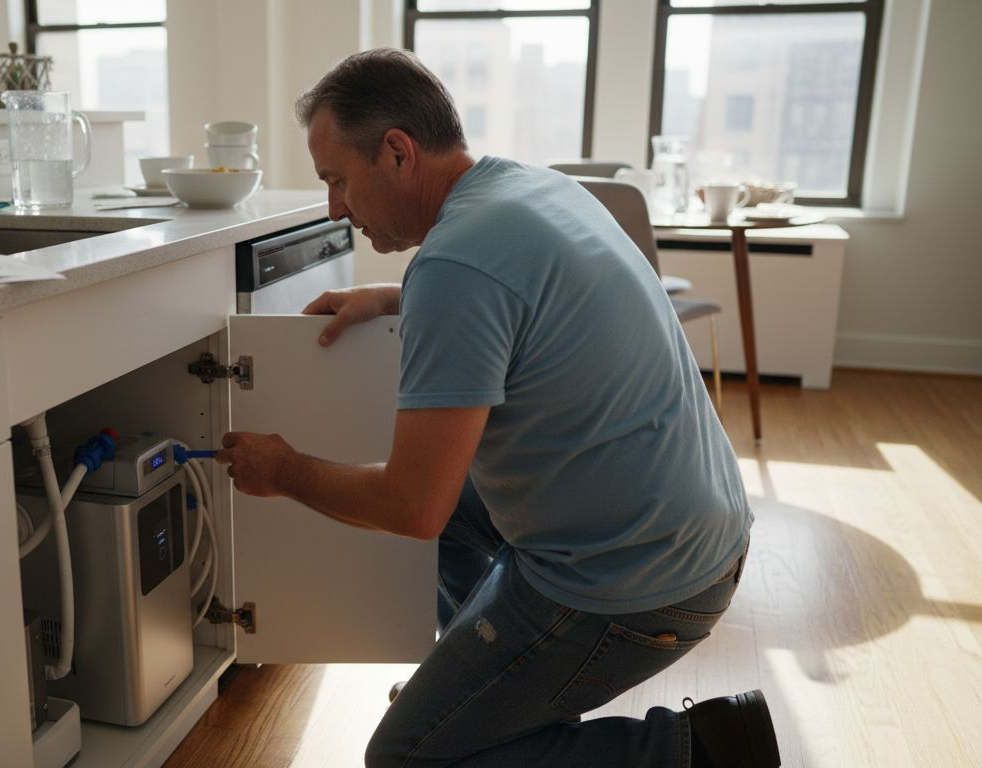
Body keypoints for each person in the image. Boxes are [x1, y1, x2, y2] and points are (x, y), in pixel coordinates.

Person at [215, 48, 780, 768]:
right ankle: (478, 684)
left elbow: (412, 505)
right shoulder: (527, 189)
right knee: (456, 516)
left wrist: (284, 470)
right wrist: (393, 299)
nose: (334, 207)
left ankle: (700, 750)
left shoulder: (455, 267)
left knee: (409, 756)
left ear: (396, 152)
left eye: (337, 180)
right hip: (696, 533)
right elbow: (525, 298)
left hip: (639, 586)